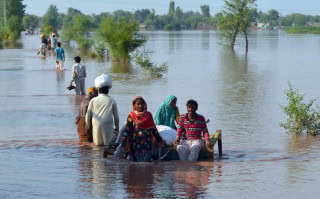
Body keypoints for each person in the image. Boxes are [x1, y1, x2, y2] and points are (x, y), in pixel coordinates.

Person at [121, 96, 164, 162]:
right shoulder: (131, 116)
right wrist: (123, 143)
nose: (140, 106)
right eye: (138, 104)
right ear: (134, 105)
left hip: (146, 144)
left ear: (144, 105)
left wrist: (160, 140)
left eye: (142, 104)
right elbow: (127, 130)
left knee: (146, 163)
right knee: (134, 164)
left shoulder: (148, 115)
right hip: (135, 144)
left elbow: (153, 129)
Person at [85, 74, 119, 146]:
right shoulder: (112, 101)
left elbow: (88, 115)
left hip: (96, 125)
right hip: (108, 126)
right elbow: (116, 117)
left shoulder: (93, 100)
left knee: (97, 147)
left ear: (98, 90)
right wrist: (117, 128)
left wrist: (87, 127)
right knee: (107, 146)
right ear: (108, 90)